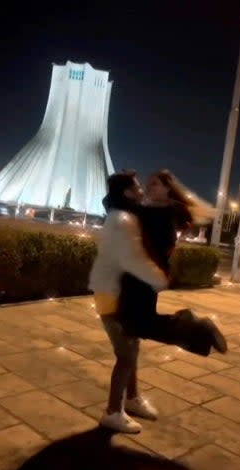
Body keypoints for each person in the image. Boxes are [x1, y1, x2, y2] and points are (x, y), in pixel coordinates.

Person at [89, 172, 171, 433]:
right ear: (126, 192)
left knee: (133, 345)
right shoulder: (122, 220)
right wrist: (159, 278)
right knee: (125, 354)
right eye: (136, 186)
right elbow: (132, 258)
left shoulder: (123, 214)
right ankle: (113, 412)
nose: (141, 189)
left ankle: (133, 398)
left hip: (116, 291)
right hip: (109, 293)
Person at [117, 170, 228, 357]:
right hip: (137, 272)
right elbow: (112, 204)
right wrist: (125, 182)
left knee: (137, 324)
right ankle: (196, 328)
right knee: (135, 324)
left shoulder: (167, 210)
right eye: (147, 183)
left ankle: (196, 326)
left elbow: (119, 206)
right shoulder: (147, 209)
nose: (147, 186)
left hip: (144, 273)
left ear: (168, 189)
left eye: (154, 183)